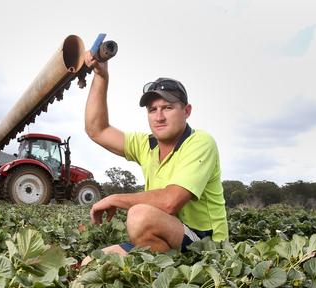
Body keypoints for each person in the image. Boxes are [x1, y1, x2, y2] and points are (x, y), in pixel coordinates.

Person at [83, 51, 229, 258]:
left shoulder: (200, 142)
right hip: (170, 237)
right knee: (92, 261)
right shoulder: (146, 144)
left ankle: (167, 272)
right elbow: (97, 130)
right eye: (153, 110)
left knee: (140, 215)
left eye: (167, 108)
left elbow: (171, 201)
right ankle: (159, 268)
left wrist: (115, 198)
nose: (159, 117)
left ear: (186, 111)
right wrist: (101, 76)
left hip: (207, 247)